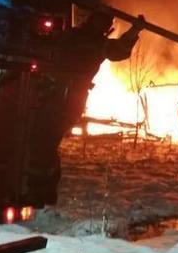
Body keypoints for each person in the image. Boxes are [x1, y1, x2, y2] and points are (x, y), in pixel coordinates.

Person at [26, 11, 145, 204]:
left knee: (43, 142)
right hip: (57, 96)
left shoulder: (90, 41)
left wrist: (134, 30)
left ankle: (40, 190)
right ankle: (40, 189)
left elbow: (119, 50)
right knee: (42, 142)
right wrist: (134, 30)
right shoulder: (84, 40)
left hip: (64, 99)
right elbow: (118, 49)